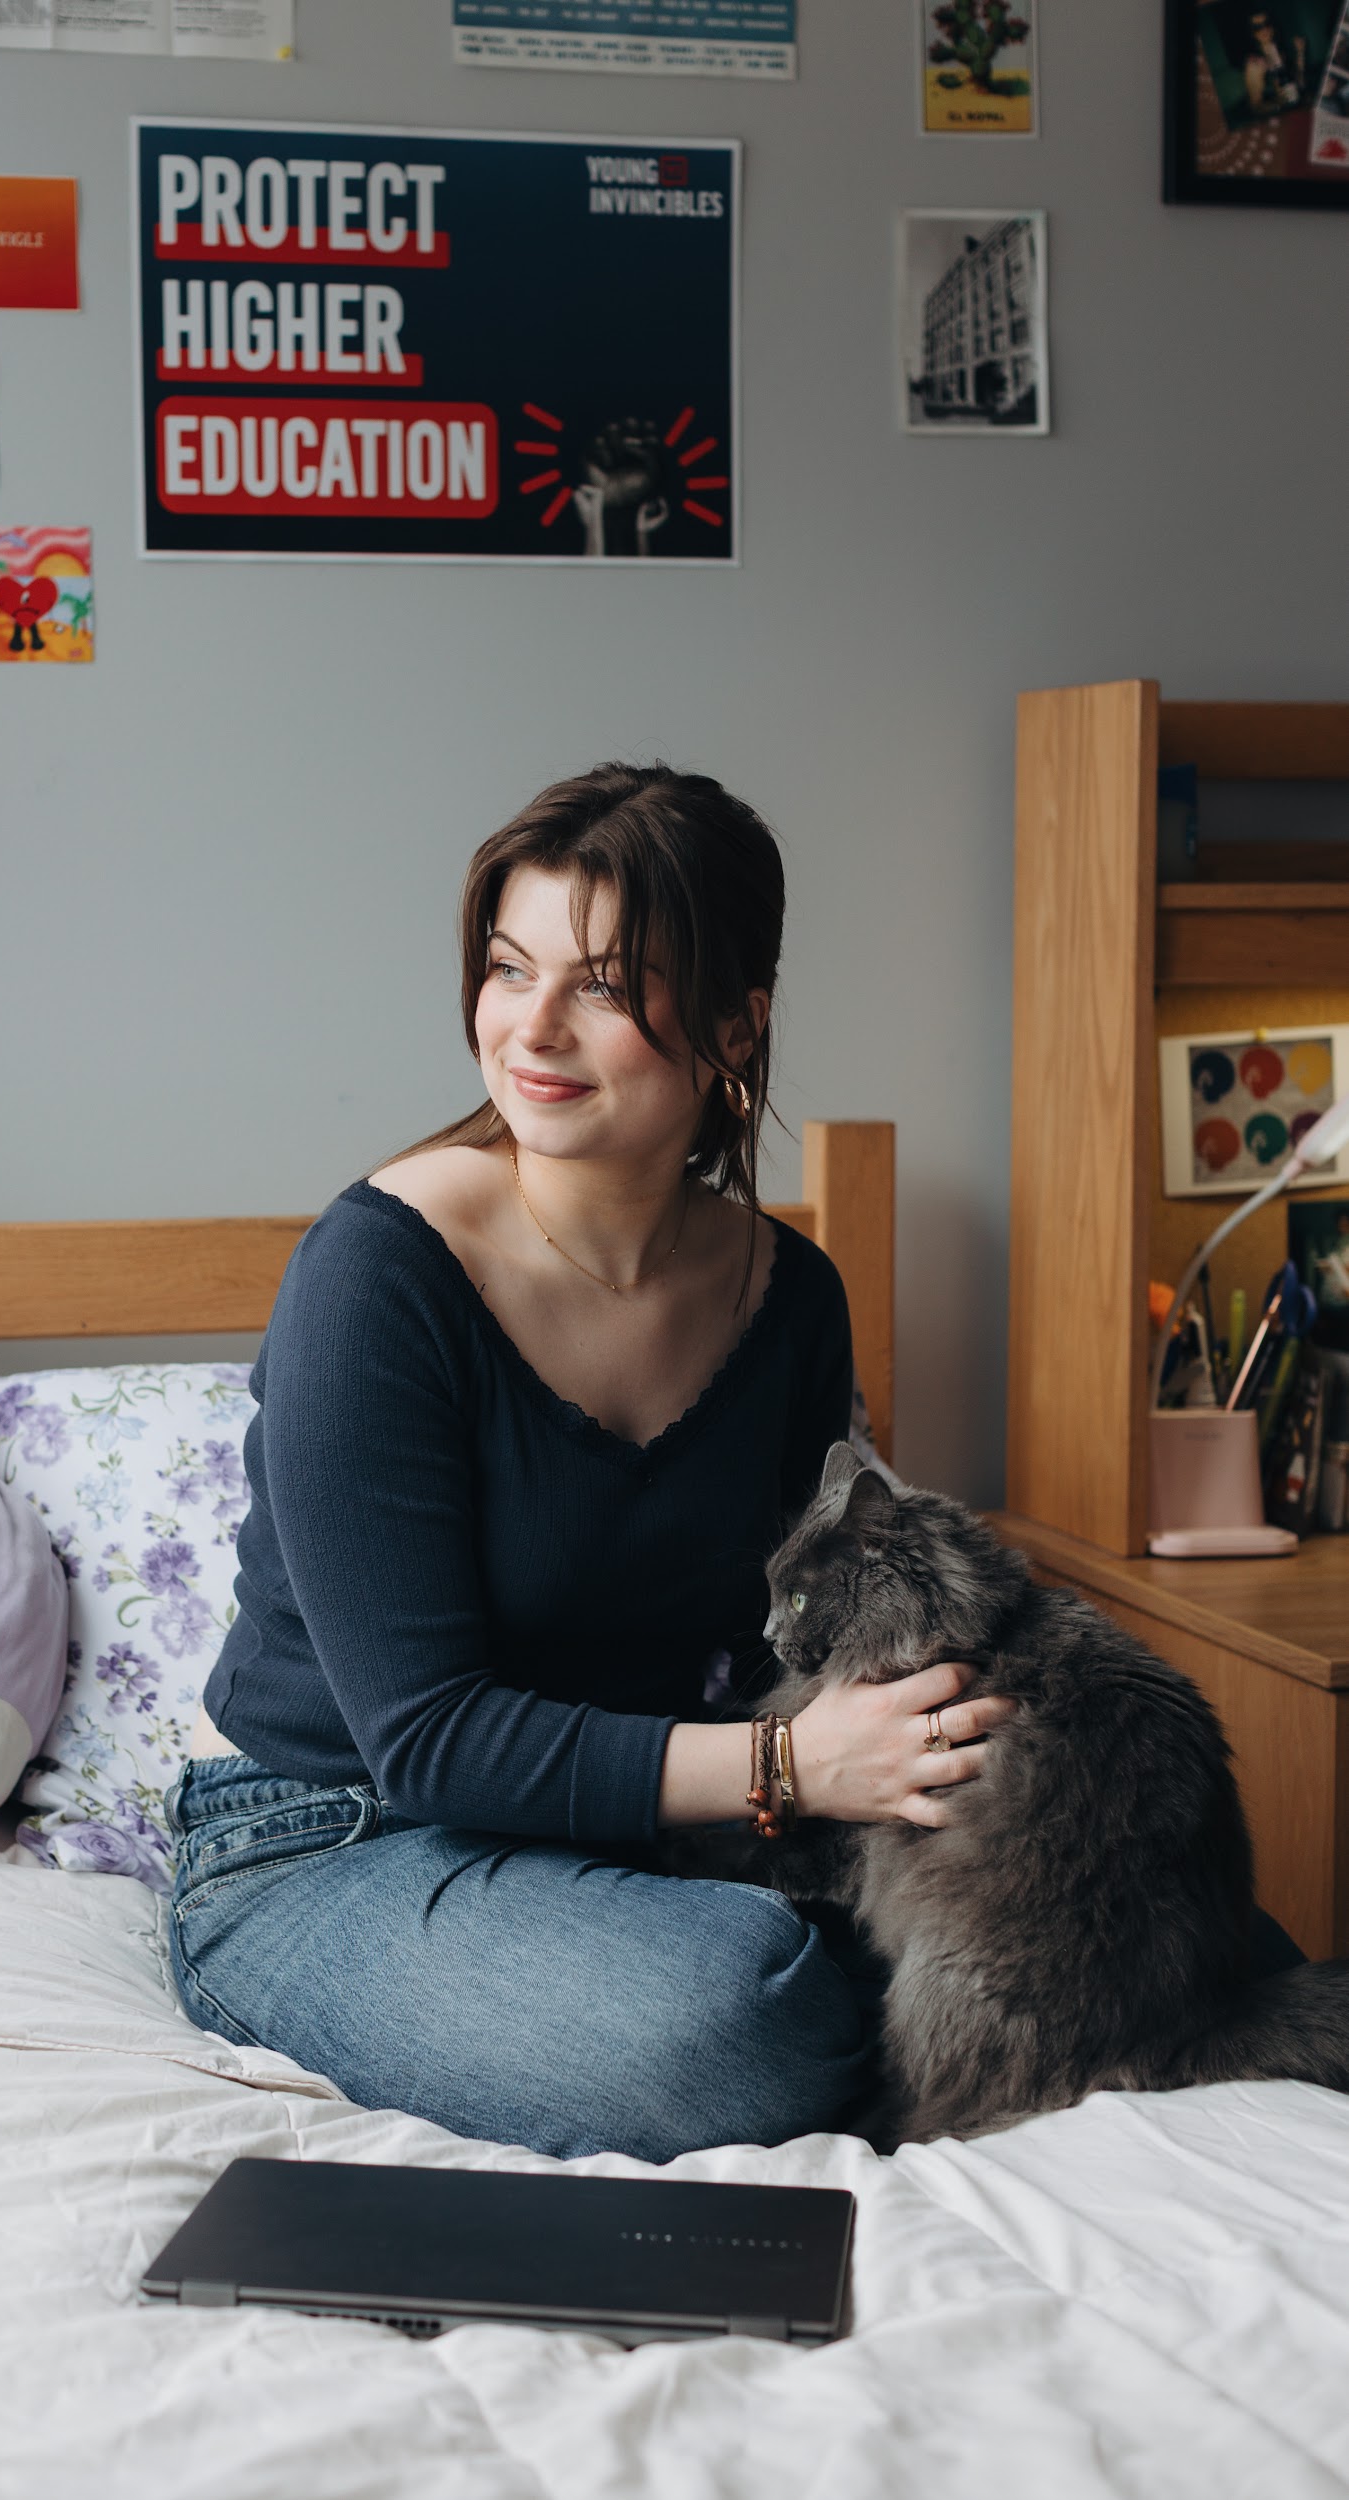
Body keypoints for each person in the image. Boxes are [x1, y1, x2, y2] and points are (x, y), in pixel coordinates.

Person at [167, 764, 1013, 2162]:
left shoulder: (789, 1296)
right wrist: (791, 1768)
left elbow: (808, 1635)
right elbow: (428, 1741)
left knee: (1115, 1914)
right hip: (334, 1842)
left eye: (606, 985)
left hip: (627, 1840)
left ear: (737, 1024)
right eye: (510, 969)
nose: (534, 1027)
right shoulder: (379, 1276)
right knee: (738, 2014)